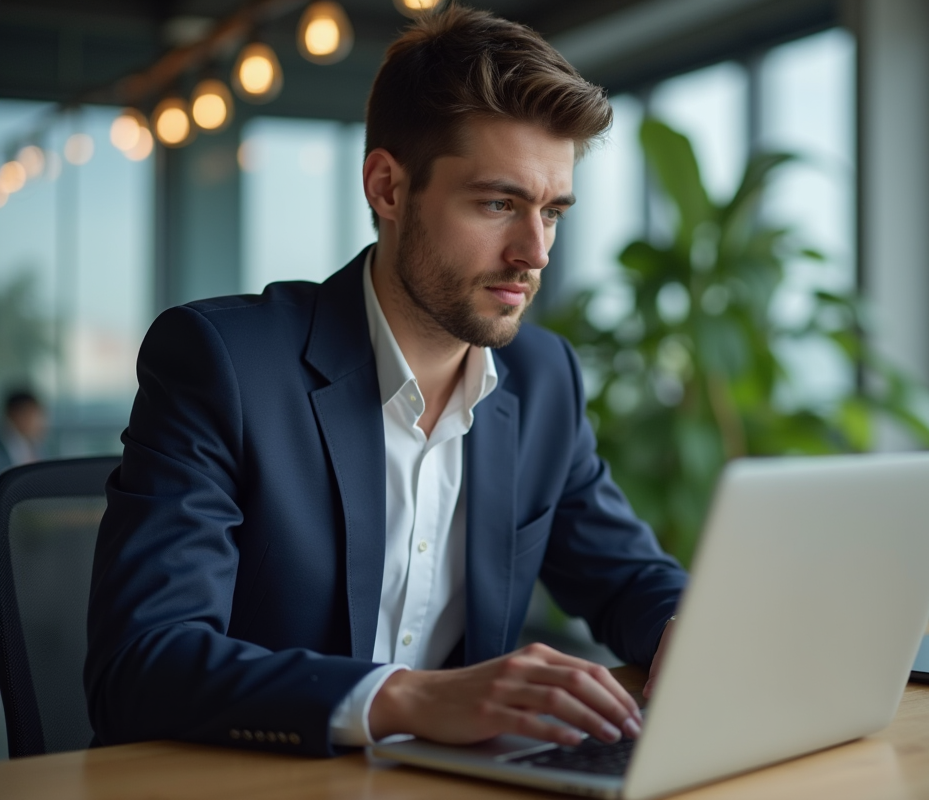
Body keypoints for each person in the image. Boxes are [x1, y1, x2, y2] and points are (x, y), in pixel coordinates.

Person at [85, 6, 687, 757]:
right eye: (498, 204)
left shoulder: (543, 380)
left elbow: (629, 578)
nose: (534, 252)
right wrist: (409, 698)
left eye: (553, 212)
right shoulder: (224, 365)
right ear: (388, 188)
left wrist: (687, 630)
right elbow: (141, 664)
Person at [0, 388, 46, 471]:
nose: (39, 423)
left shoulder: (35, 447)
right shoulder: (5, 448)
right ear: (17, 415)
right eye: (34, 416)